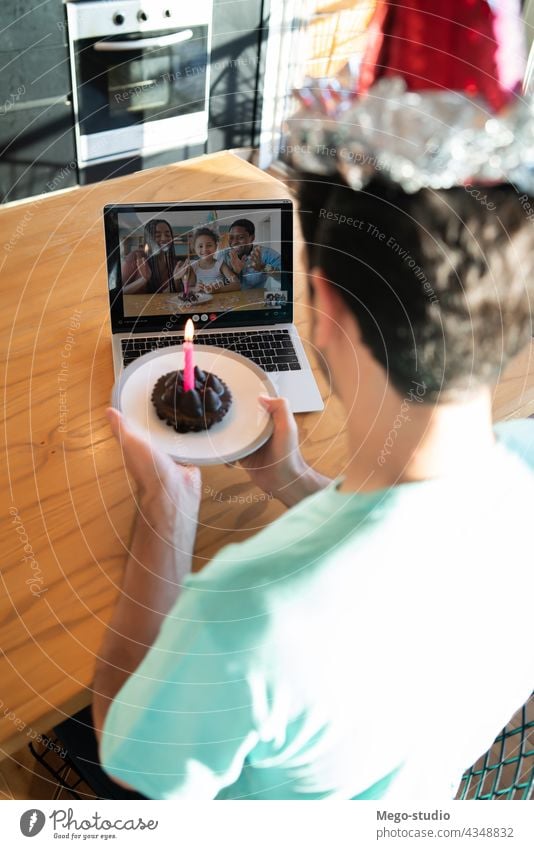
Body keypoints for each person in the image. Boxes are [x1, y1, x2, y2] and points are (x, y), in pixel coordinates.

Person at [93, 0, 534, 801]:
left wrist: (167, 509)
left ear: (324, 308)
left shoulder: (247, 611)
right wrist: (290, 476)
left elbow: (131, 760)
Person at [121, 219, 193, 295]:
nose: (164, 239)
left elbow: (161, 296)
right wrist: (143, 280)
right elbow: (119, 293)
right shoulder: (135, 257)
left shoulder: (173, 264)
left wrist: (175, 279)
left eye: (168, 235)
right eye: (157, 235)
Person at [223, 218, 281, 289]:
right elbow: (220, 283)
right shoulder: (223, 256)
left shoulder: (265, 253)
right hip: (231, 298)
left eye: (241, 237)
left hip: (256, 299)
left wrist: (264, 267)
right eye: (231, 237)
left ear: (252, 238)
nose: (234, 242)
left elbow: (284, 276)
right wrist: (234, 272)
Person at [189, 226, 240, 293]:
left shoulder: (220, 264)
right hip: (202, 302)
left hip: (220, 302)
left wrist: (217, 289)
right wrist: (195, 289)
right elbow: (188, 288)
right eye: (200, 246)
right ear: (195, 249)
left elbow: (237, 284)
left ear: (216, 247)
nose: (204, 249)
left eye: (209, 245)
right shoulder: (194, 266)